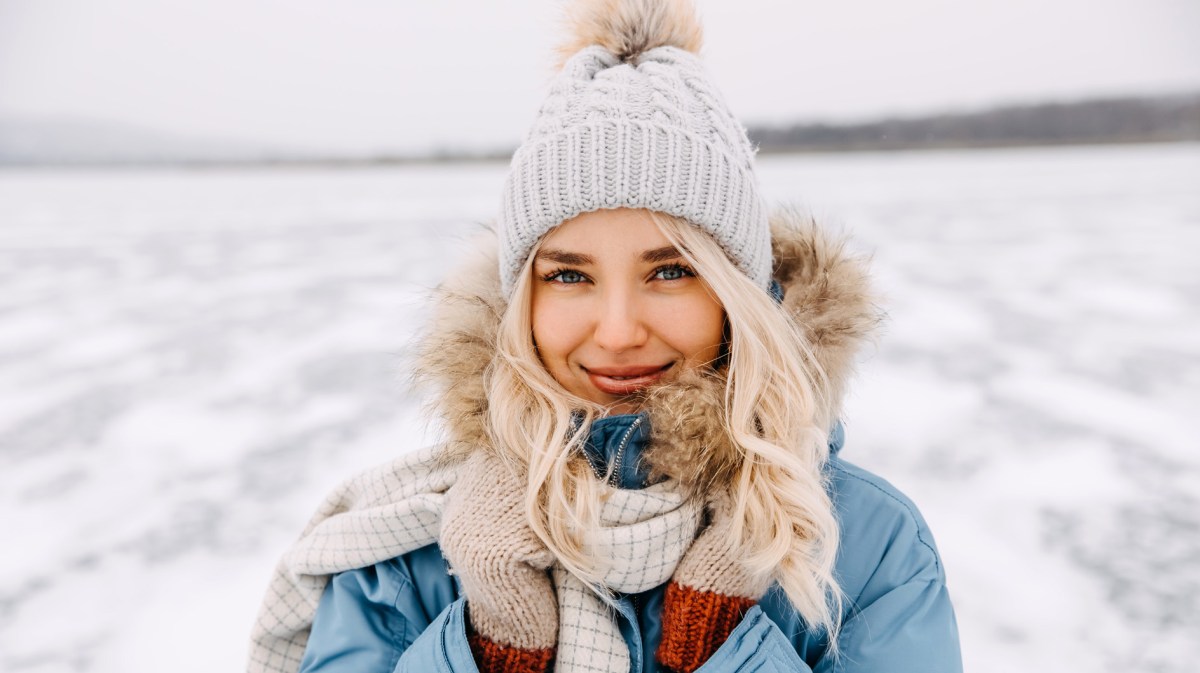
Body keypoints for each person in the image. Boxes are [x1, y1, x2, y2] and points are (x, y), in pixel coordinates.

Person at [248, 0, 963, 671]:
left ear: (736, 295)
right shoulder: (402, 558)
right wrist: (494, 646)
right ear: (518, 301)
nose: (618, 331)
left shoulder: (866, 551)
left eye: (672, 272)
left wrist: (718, 644)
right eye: (568, 276)